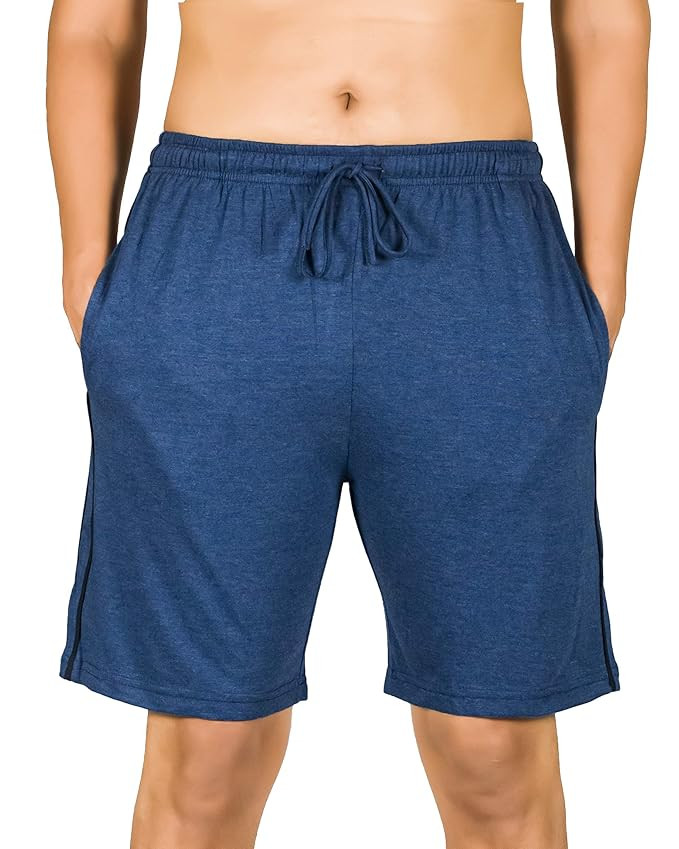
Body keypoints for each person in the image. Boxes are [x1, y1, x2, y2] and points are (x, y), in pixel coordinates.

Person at [47, 1, 650, 847]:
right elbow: (94, 24)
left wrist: (603, 284)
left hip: (478, 251)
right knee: (206, 747)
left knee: (493, 745)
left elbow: (602, 19)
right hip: (215, 246)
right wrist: (86, 271)